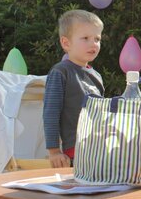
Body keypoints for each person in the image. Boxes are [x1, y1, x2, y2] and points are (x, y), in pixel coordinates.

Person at [43, 9, 105, 168]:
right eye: (85, 38)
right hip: (76, 151)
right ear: (66, 43)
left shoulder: (96, 76)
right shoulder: (60, 72)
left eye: (97, 39)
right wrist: (54, 151)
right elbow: (51, 112)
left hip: (101, 149)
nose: (93, 44)